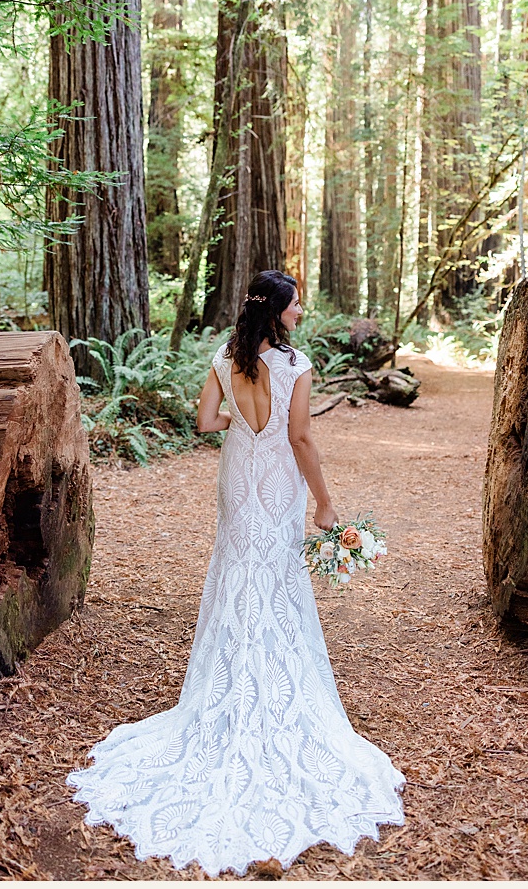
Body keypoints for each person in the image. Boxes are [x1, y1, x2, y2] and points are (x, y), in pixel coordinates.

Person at [67, 270, 404, 874]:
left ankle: (226, 686)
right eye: (297, 303)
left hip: (238, 482)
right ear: (277, 311)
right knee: (273, 581)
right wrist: (325, 502)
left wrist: (243, 431)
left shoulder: (227, 356)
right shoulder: (295, 366)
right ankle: (270, 693)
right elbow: (300, 437)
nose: (302, 310)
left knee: (236, 579)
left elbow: (204, 422)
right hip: (277, 487)